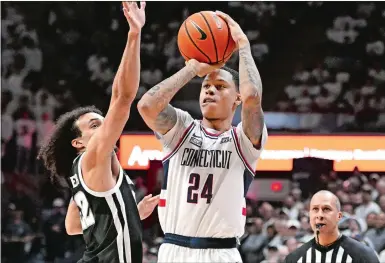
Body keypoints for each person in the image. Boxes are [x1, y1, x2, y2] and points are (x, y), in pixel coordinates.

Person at [137, 11, 268, 262]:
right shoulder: (182, 128)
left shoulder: (244, 140)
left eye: (220, 87)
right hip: (174, 249)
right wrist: (192, 69)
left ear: (236, 98)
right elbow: (147, 106)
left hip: (221, 252)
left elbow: (253, 97)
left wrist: (243, 45)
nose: (209, 91)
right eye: (206, 87)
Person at [38, 2, 159, 263]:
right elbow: (123, 97)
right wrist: (134, 34)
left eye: (103, 122)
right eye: (95, 126)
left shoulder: (81, 174)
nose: (105, 127)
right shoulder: (92, 158)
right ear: (78, 143)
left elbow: (73, 226)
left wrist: (130, 214)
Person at [284, 190, 379, 263]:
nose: (319, 215)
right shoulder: (295, 258)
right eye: (315, 209)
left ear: (339, 216)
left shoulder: (362, 255)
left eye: (326, 209)